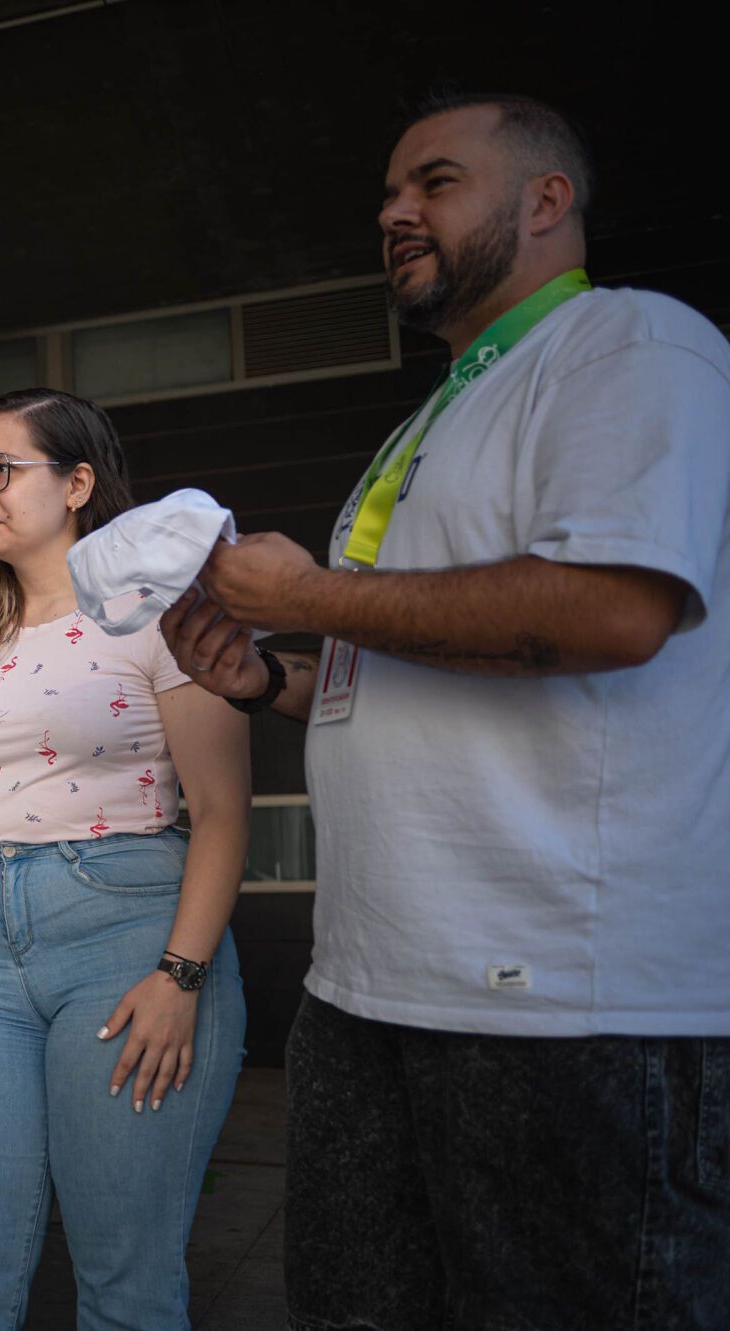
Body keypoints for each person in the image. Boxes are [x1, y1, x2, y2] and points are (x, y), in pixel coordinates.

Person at [161, 92, 730, 1328]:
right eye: (387, 194)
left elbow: (612, 608)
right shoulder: (442, 408)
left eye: (434, 182)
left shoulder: (628, 344)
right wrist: (268, 677)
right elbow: (406, 661)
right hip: (370, 985)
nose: (392, 212)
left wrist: (307, 594)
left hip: (562, 999)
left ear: (545, 200)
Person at [0, 389, 250, 1330]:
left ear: (79, 483)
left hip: (127, 938)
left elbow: (221, 813)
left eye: (4, 469)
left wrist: (181, 974)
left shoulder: (161, 612)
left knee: (126, 1286)